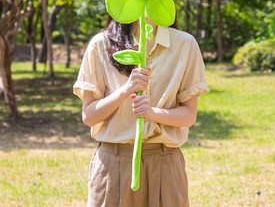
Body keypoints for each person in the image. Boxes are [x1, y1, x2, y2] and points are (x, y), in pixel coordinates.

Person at [73, 16, 209, 207]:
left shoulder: (185, 44)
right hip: (113, 163)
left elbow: (188, 115)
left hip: (165, 163)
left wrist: (152, 113)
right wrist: (125, 90)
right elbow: (89, 116)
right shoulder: (101, 44)